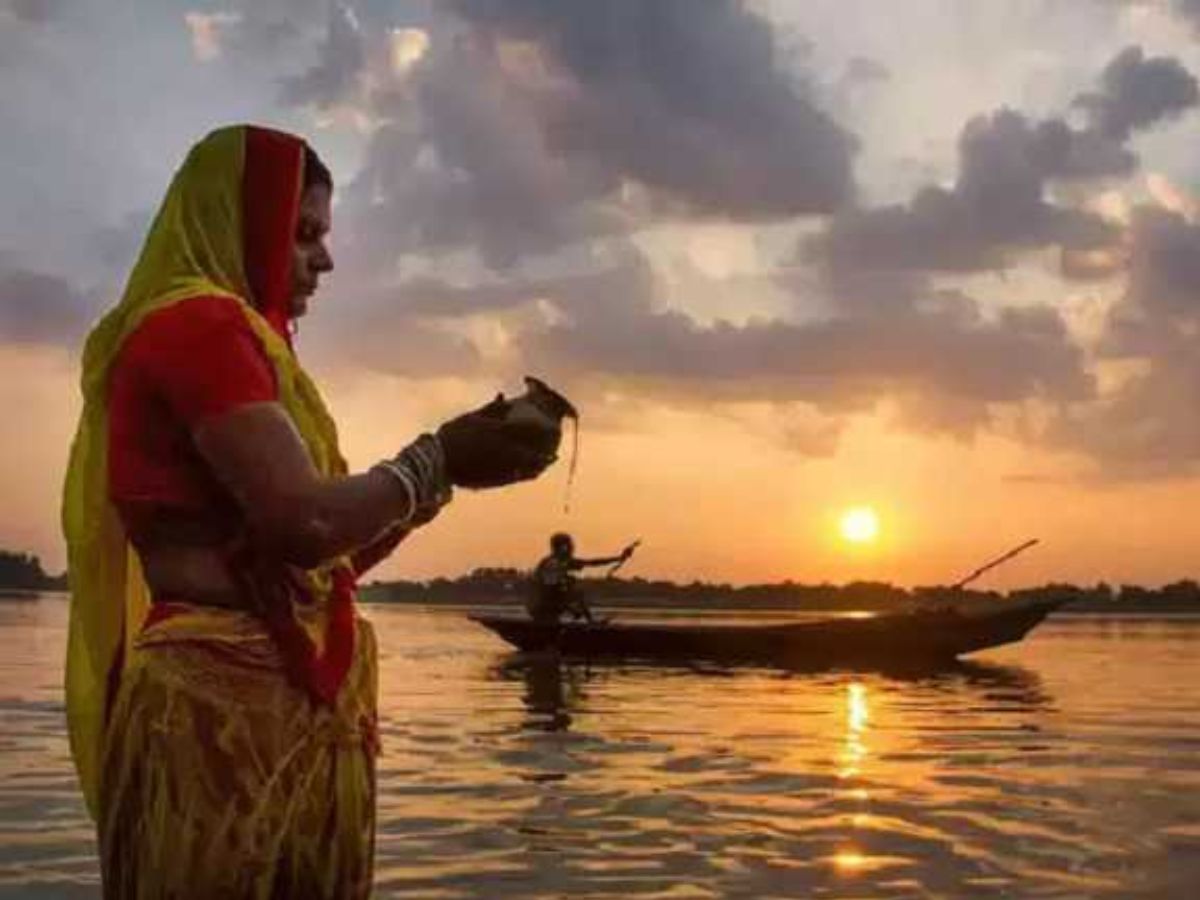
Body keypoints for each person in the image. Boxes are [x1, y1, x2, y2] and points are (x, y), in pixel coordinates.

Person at [61, 125, 560, 899]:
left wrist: (440, 483)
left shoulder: (251, 348)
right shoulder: (198, 326)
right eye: (303, 235)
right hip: (219, 715)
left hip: (290, 713)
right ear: (242, 226)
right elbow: (308, 526)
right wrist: (436, 459)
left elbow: (324, 562)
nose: (323, 261)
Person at [527, 533, 634, 624]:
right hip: (541, 608)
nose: (572, 548)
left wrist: (618, 558)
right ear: (562, 547)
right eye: (569, 545)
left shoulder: (560, 561)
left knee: (572, 587)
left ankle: (585, 620)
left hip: (545, 606)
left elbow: (592, 563)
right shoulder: (553, 563)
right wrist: (572, 609)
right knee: (574, 589)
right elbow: (548, 590)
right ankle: (589, 621)